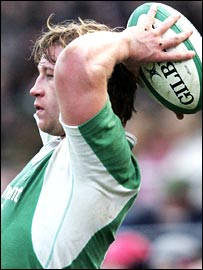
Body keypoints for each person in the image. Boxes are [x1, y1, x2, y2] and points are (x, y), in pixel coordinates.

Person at [1, 4, 195, 269]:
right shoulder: (60, 144)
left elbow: (77, 63)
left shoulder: (102, 160)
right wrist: (127, 66)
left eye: (50, 75)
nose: (34, 90)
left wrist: (131, 41)